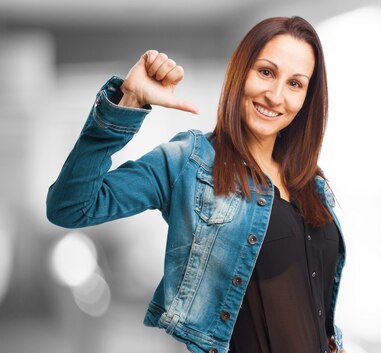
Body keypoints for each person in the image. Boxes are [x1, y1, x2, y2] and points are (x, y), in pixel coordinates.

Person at [46, 16, 347, 353]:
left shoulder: (310, 185)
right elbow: (71, 207)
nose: (276, 95)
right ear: (240, 72)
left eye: (295, 83)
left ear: (308, 97)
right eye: (266, 72)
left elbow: (310, 307)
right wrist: (128, 102)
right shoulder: (191, 162)